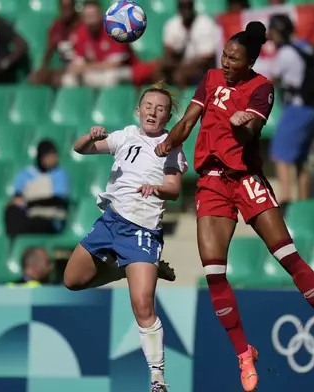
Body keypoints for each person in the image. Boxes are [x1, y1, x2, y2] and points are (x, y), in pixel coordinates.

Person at [154, 22, 314, 391]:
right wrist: (165, 145)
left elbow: (249, 133)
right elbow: (188, 121)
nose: (226, 62)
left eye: (234, 58)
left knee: (287, 255)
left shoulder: (262, 89)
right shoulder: (210, 79)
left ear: (251, 62)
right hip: (211, 181)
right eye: (225, 55)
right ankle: (244, 355)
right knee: (213, 272)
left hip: (246, 179)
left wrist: (241, 124)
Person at [64, 85, 188, 392]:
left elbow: (174, 188)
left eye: (160, 108)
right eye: (148, 106)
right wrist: (90, 137)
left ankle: (158, 379)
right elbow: (80, 149)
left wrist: (156, 188)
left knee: (142, 304)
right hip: (111, 221)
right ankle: (127, 268)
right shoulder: (126, 135)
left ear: (167, 115)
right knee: (72, 280)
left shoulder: (171, 145)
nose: (153, 112)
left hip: (142, 231)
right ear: (139, 109)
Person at [268, 14, 314, 207]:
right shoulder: (307, 47)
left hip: (297, 109)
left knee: (280, 154)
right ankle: (304, 201)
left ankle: (286, 198)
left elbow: (273, 78)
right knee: (301, 159)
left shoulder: (286, 53)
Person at [5, 140, 71, 238]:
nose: (53, 158)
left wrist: (30, 203)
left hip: (50, 218)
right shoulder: (25, 174)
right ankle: (13, 246)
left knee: (35, 223)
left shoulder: (60, 174)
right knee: (12, 212)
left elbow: (58, 200)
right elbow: (18, 197)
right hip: (30, 215)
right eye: (49, 155)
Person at [62, 0, 134, 87]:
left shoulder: (115, 30)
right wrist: (79, 67)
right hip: (94, 71)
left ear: (101, 15)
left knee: (111, 76)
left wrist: (86, 67)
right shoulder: (80, 32)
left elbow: (115, 64)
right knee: (69, 79)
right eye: (88, 16)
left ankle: (109, 100)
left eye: (93, 16)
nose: (91, 20)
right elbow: (77, 64)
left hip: (122, 70)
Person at [162, 0, 219, 88]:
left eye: (188, 5)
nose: (186, 9)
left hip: (201, 68)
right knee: (159, 70)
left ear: (193, 6)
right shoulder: (172, 23)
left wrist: (184, 66)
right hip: (178, 63)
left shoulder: (205, 23)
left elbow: (207, 58)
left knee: (180, 75)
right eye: (182, 6)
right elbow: (168, 51)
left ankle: (183, 100)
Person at [29, 0, 81, 86]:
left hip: (80, 66)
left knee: (65, 80)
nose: (66, 10)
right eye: (63, 7)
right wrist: (43, 69)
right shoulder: (56, 26)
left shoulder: (82, 25)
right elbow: (50, 50)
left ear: (74, 7)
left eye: (69, 7)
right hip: (65, 66)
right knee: (35, 77)